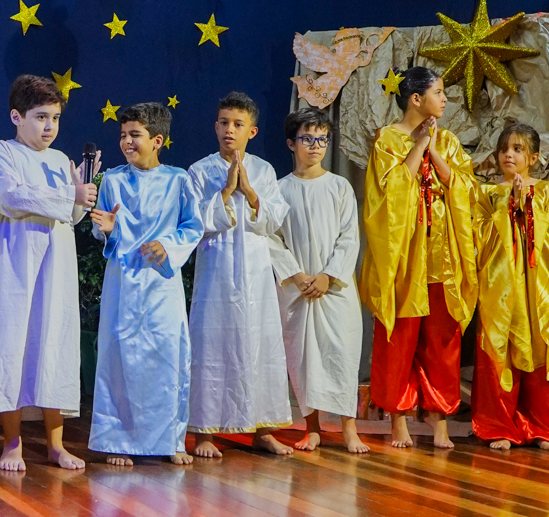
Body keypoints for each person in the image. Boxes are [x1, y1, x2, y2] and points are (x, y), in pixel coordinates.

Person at [0, 73, 97, 472]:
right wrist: (69, 194)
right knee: (13, 343)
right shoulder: (2, 152)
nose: (49, 127)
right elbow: (11, 197)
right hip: (16, 265)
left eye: (56, 118)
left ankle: (55, 444)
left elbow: (72, 216)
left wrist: (82, 194)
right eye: (41, 117)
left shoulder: (61, 160)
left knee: (54, 343)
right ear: (17, 116)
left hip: (55, 265)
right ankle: (12, 442)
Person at [359, 66, 476, 450]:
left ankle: (439, 416)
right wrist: (420, 145)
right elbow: (388, 195)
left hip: (441, 255)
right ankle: (398, 417)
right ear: (416, 99)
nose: (444, 99)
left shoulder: (450, 141)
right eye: (438, 92)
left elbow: (464, 188)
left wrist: (436, 152)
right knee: (400, 338)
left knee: (442, 341)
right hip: (404, 256)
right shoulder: (388, 140)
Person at [88, 101, 201, 465]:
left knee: (167, 355)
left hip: (161, 282)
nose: (127, 142)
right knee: (121, 355)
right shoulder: (114, 180)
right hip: (124, 281)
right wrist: (108, 230)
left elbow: (192, 227)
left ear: (157, 140)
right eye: (123, 135)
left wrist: (167, 245)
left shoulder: (178, 180)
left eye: (135, 135)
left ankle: (171, 439)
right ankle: (119, 439)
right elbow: (102, 228)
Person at [188, 92, 292, 458]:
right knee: (212, 346)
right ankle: (204, 431)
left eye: (237, 124)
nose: (229, 130)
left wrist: (249, 192)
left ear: (252, 130)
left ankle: (263, 429)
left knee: (259, 343)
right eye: (224, 123)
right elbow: (193, 220)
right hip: (216, 270)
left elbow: (274, 219)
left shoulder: (263, 171)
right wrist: (226, 192)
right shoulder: (200, 171)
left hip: (255, 271)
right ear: (216, 126)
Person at [269, 109, 368, 455]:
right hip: (297, 289)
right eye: (307, 139)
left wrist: (328, 275)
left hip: (334, 288)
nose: (315, 146)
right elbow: (273, 239)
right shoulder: (279, 190)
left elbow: (349, 237)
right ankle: (312, 428)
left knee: (341, 353)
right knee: (304, 357)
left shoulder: (339, 186)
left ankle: (349, 428)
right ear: (291, 143)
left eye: (322, 139)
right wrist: (297, 276)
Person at [470, 123, 549, 451]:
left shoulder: (548, 192)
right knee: (500, 348)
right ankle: (498, 424)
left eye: (517, 149)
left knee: (540, 347)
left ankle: (544, 425)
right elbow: (477, 234)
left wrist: (529, 207)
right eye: (504, 149)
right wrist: (508, 206)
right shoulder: (487, 193)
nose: (508, 155)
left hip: (538, 287)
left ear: (533, 158)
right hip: (501, 286)